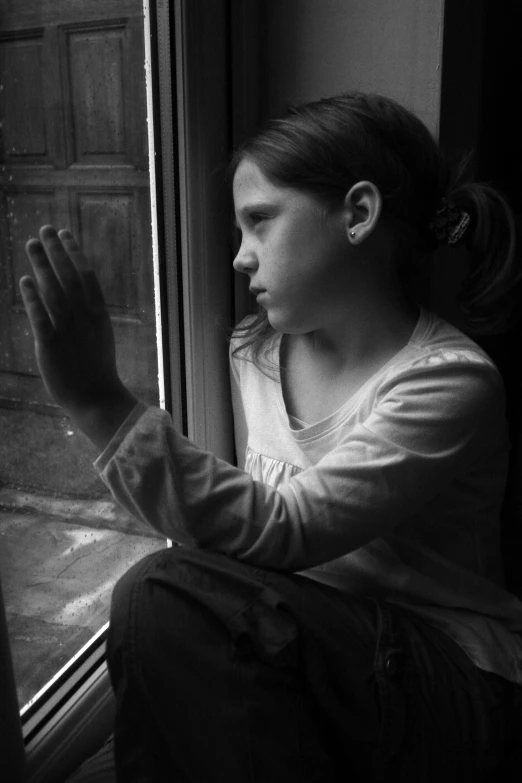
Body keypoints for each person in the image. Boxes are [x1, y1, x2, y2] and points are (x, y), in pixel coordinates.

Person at [20, 92, 522, 782]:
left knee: (157, 592)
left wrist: (101, 402)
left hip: (452, 677)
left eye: (259, 223)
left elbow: (286, 528)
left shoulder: (449, 383)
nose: (239, 258)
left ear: (359, 214)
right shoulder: (253, 351)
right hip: (309, 649)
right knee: (164, 628)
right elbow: (238, 538)